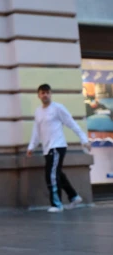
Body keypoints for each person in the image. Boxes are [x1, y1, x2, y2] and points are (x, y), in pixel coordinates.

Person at [27, 83, 90, 212]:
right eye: (42, 93)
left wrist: (84, 139)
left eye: (47, 92)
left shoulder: (58, 108)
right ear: (38, 95)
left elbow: (71, 123)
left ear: (51, 94)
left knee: (51, 175)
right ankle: (73, 196)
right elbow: (36, 131)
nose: (45, 95)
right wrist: (31, 146)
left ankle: (57, 204)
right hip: (47, 148)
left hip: (57, 146)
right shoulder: (38, 111)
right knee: (57, 174)